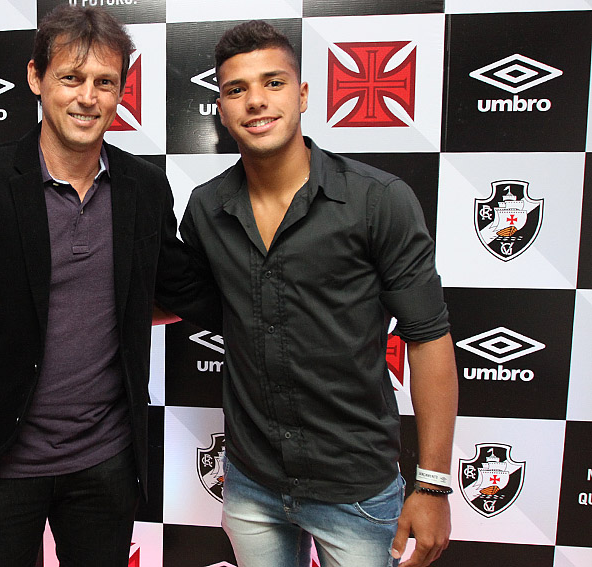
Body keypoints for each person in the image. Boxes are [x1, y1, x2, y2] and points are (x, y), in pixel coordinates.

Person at [0, 6, 207, 566]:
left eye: (104, 82)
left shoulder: (144, 187)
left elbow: (180, 286)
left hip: (106, 462)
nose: (88, 97)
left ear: (121, 92)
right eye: (71, 78)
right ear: (36, 78)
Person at [178, 20, 459, 567]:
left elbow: (428, 339)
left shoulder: (378, 200)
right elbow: (184, 298)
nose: (256, 101)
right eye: (236, 89)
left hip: (356, 490)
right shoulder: (206, 209)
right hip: (251, 482)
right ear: (222, 109)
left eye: (273, 82)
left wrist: (432, 485)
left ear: (303, 94)